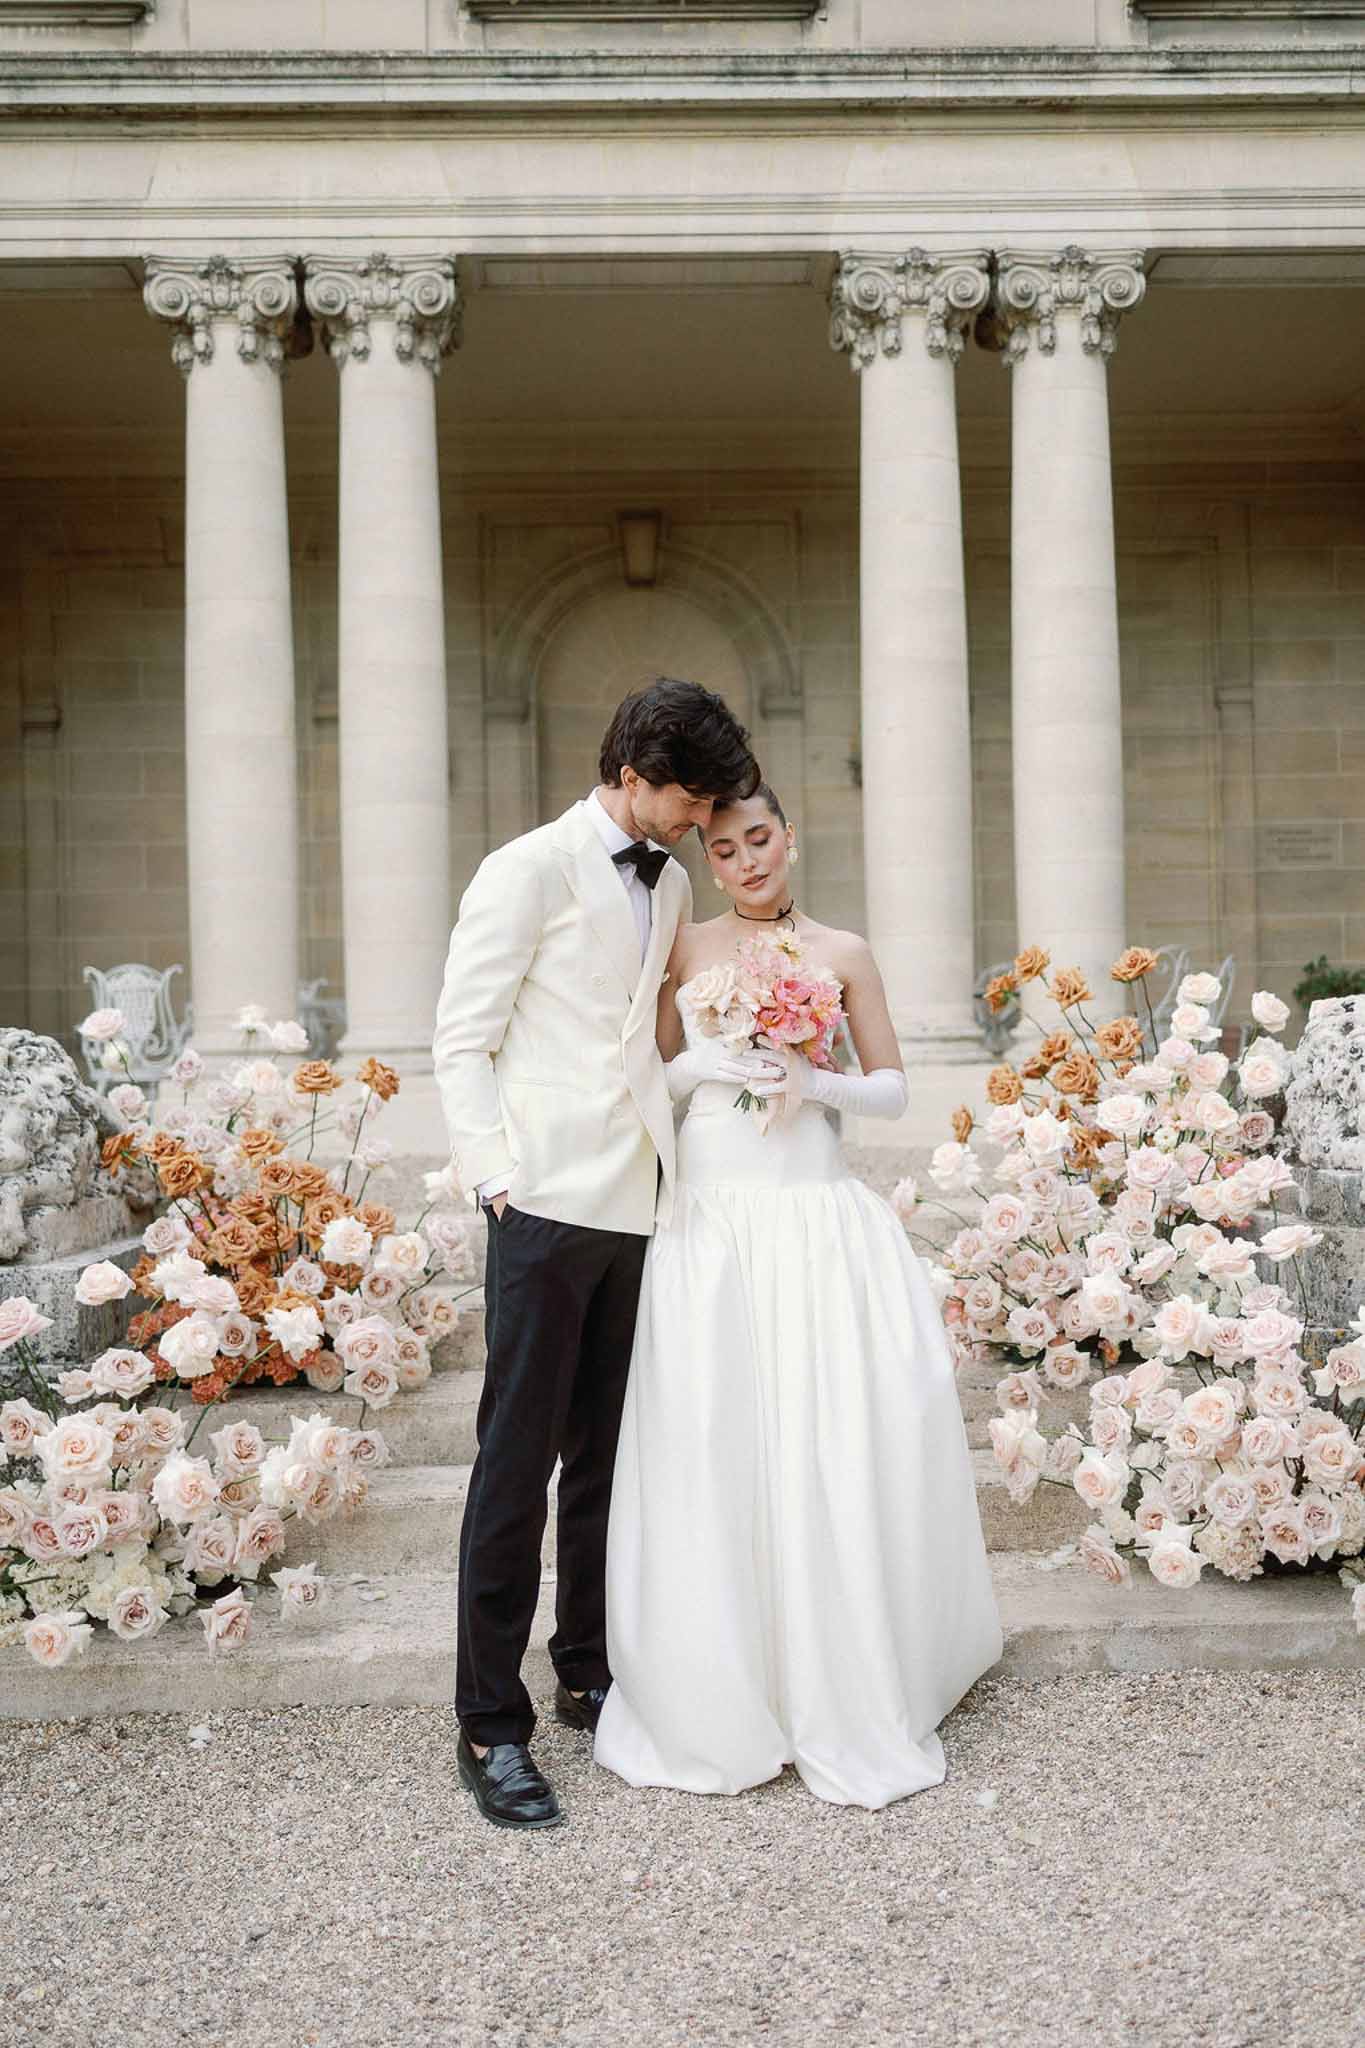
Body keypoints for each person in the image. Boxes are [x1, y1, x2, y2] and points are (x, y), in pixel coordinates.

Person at [594, 784, 1004, 1810]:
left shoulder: (846, 951)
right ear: (712, 859)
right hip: (713, 1217)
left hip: (811, 1208)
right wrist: (703, 1069)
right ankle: (725, 1688)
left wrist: (812, 1080)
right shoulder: (684, 943)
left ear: (790, 837)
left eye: (760, 838)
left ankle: (840, 1670)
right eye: (725, 847)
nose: (746, 860)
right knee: (716, 1433)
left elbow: (894, 1085)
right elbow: (645, 1064)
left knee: (822, 1433)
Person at [432, 677, 768, 1830]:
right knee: (513, 1467)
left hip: (643, 1207)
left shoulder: (671, 883)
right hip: (539, 1206)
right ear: (631, 770)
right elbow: (460, 1038)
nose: (696, 816)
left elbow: (648, 1041)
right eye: (685, 793)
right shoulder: (524, 867)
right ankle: (489, 1721)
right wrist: (496, 1178)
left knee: (612, 1463)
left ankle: (587, 1669)